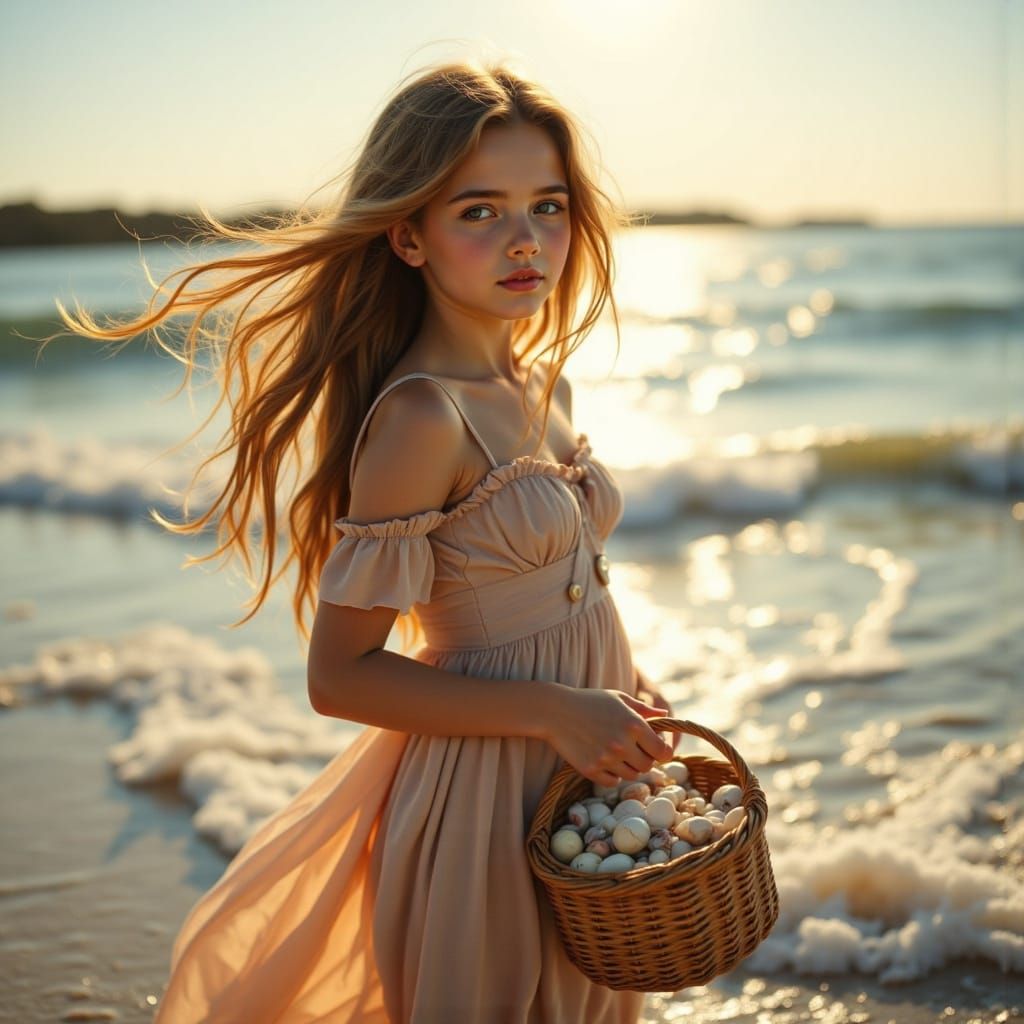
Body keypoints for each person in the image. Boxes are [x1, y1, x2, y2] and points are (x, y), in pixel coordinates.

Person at [50, 57, 678, 1023]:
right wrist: (558, 707)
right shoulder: (423, 418)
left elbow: (566, 587)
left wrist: (619, 692)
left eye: (547, 206)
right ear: (409, 235)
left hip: (581, 798)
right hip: (480, 811)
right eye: (480, 211)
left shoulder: (550, 384)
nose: (526, 240)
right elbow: (339, 676)